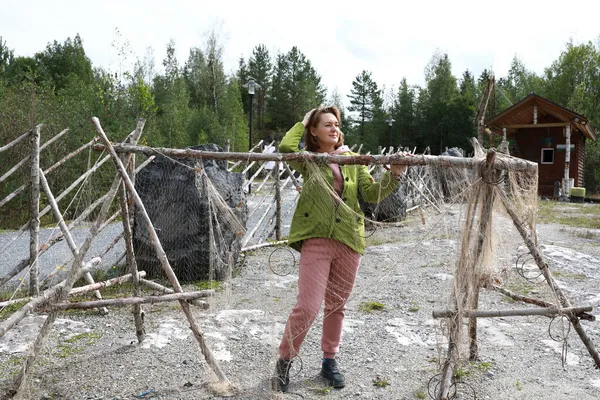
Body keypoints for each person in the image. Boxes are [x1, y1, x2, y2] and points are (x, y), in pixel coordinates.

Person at [272, 106, 407, 392]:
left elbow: (372, 194)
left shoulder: (352, 159)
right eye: (326, 125)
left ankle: (329, 362)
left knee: (337, 306)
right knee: (307, 307)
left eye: (336, 124)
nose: (334, 129)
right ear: (314, 131)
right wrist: (304, 118)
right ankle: (285, 360)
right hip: (317, 240)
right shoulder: (309, 160)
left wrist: (394, 175)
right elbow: (285, 146)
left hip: (349, 239)